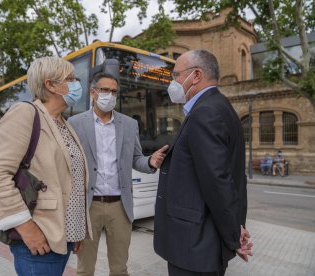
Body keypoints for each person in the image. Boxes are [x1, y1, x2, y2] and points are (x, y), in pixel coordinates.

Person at [0, 57, 92, 276]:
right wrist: (26, 228)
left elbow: (72, 180)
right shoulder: (25, 113)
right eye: (70, 79)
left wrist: (77, 229)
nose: (76, 84)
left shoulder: (62, 123)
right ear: (50, 85)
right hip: (39, 237)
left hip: (64, 236)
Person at [154, 50, 253, 276]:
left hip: (194, 246)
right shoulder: (219, 107)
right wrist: (236, 227)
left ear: (196, 75)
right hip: (202, 244)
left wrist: (232, 237)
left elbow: (218, 181)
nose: (173, 82)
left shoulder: (205, 113)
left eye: (176, 75)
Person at [68, 73, 168, 276]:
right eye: (105, 90)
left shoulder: (129, 124)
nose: (110, 95)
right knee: (84, 269)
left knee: (120, 269)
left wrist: (150, 161)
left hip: (120, 207)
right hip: (88, 207)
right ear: (93, 93)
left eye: (114, 91)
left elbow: (136, 159)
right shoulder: (75, 123)